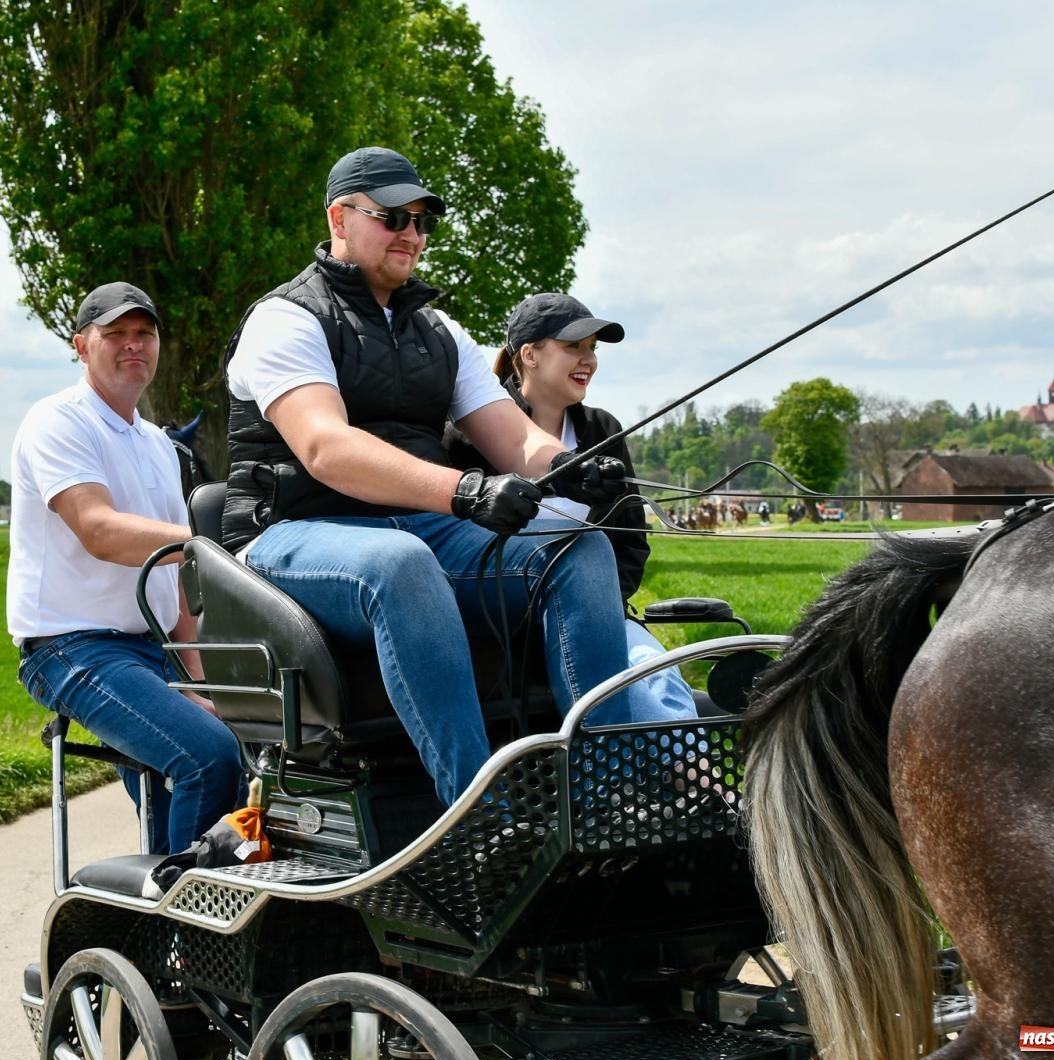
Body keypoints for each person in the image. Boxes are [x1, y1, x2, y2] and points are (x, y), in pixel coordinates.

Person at [221, 146, 658, 808]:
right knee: (401, 562)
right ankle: (478, 812)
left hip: (415, 529)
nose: (412, 234)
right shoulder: (287, 317)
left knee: (580, 547)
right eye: (393, 217)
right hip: (294, 533)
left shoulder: (440, 332)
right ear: (340, 217)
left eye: (423, 220)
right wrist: (464, 491)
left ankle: (604, 798)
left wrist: (568, 469)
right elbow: (325, 447)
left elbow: (512, 437)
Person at [9, 281, 242, 855]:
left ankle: (162, 925)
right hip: (72, 647)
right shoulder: (58, 421)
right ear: (82, 346)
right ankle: (191, 929)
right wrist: (210, 541)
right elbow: (99, 530)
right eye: (115, 334)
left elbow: (173, 575)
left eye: (145, 333)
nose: (133, 345)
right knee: (209, 758)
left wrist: (196, 676)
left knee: (244, 748)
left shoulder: (158, 444)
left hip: (151, 651)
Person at [445, 292, 699, 721]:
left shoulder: (603, 430)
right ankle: (696, 782)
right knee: (618, 687)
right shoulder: (465, 436)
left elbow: (629, 541)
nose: (589, 360)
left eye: (592, 349)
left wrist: (595, 608)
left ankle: (688, 779)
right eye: (573, 347)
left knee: (659, 673)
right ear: (529, 355)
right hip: (502, 623)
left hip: (595, 613)